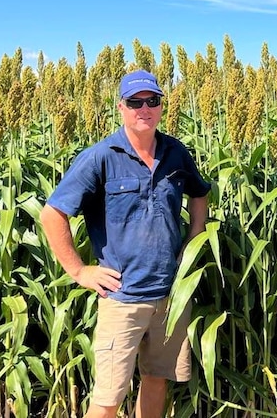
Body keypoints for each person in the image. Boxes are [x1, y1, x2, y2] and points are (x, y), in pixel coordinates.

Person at [40, 70, 210, 418]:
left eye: (152, 101)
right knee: (107, 399)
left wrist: (194, 238)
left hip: (169, 296)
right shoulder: (101, 157)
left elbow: (199, 193)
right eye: (135, 102)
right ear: (121, 107)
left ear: (161, 106)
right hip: (122, 298)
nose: (144, 108)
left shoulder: (175, 152)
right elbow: (52, 213)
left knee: (157, 380)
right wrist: (78, 270)